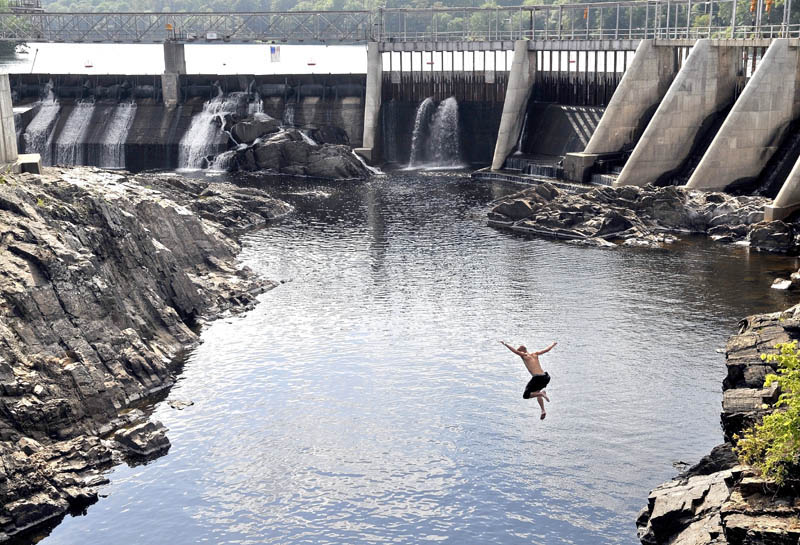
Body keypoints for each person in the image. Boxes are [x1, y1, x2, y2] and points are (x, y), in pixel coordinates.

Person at [500, 340, 558, 420]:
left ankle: (542, 394)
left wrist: (505, 344)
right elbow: (546, 350)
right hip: (545, 377)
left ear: (522, 351)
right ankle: (543, 410)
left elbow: (514, 351)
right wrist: (553, 344)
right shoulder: (535, 354)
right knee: (536, 392)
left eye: (519, 353)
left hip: (537, 378)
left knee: (526, 395)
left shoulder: (524, 355)